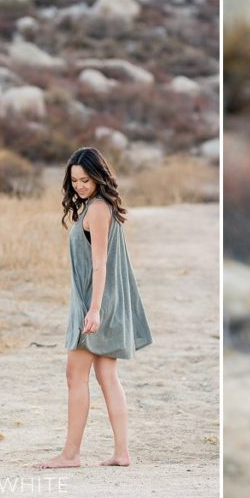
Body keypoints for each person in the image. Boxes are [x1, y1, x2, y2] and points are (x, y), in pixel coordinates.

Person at [35, 147, 153, 468]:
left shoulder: (98, 210)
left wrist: (94, 309)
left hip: (94, 303)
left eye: (85, 179)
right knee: (106, 375)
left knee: (76, 376)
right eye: (74, 180)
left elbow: (100, 263)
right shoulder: (97, 207)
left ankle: (71, 454)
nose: (79, 186)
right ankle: (121, 453)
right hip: (100, 301)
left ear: (98, 177)